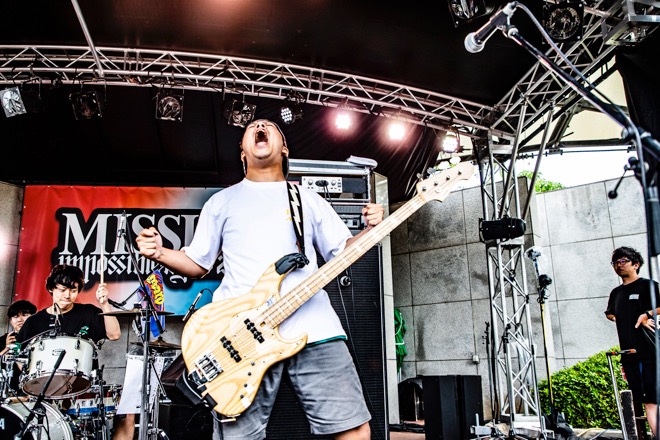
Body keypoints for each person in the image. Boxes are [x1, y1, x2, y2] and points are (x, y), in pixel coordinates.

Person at [136, 119, 384, 440]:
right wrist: (160, 252)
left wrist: (370, 230)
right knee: (239, 436)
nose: (260, 126)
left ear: (284, 149)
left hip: (315, 328)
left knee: (352, 429)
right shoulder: (222, 202)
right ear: (243, 152)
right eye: (252, 127)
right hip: (242, 335)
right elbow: (198, 263)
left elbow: (343, 252)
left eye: (268, 126)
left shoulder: (308, 199)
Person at [605, 246, 660, 439]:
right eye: (615, 262)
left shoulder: (648, 285)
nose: (618, 265)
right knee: (647, 401)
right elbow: (610, 313)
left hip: (650, 351)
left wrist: (646, 315)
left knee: (653, 400)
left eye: (623, 261)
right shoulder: (616, 292)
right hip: (630, 354)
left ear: (635, 264)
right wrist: (618, 318)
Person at [0, 299, 37, 395]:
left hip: (33, 390)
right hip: (6, 390)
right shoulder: (4, 340)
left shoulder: (39, 340)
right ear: (11, 321)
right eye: (16, 316)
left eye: (24, 315)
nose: (20, 320)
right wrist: (7, 348)